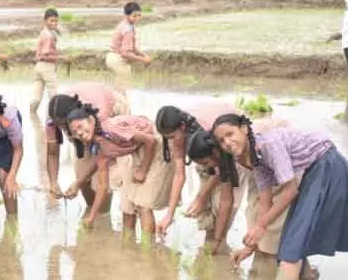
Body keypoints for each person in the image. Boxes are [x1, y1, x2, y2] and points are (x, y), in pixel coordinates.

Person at [211, 114, 348, 280]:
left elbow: (290, 191)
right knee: (292, 238)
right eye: (221, 140)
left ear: (244, 129)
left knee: (291, 247)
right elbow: (265, 201)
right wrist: (250, 246)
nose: (227, 142)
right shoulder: (254, 157)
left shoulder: (269, 145)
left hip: (328, 168)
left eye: (230, 134)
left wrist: (260, 226)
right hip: (315, 172)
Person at [186, 116, 295, 262]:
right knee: (255, 215)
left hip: (284, 168)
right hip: (266, 172)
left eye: (206, 162)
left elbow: (274, 194)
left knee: (270, 222)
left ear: (215, 152)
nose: (208, 167)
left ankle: (273, 259)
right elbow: (226, 202)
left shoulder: (242, 151)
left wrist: (260, 226)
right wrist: (218, 241)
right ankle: (263, 253)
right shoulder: (226, 157)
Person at [65, 107, 172, 237]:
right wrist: (91, 217)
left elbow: (150, 140)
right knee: (128, 204)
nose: (79, 133)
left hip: (156, 144)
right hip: (138, 149)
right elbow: (102, 186)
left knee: (143, 204)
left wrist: (143, 169)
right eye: (75, 132)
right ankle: (131, 250)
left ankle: (148, 251)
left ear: (91, 120)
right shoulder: (98, 146)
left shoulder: (111, 129)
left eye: (80, 126)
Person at [153, 102, 239, 250]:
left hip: (225, 153)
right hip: (205, 156)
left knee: (221, 205)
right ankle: (210, 243)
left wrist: (201, 197)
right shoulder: (175, 138)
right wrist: (169, 215)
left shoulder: (210, 133)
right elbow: (179, 176)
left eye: (173, 136)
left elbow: (220, 167)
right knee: (205, 211)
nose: (172, 140)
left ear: (182, 127)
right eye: (168, 138)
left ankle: (218, 241)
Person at [44, 83, 131, 208]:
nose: (62, 128)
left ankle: (102, 213)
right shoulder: (52, 121)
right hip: (84, 117)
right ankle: (92, 209)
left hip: (113, 108)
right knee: (82, 172)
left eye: (64, 124)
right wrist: (53, 181)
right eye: (60, 125)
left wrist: (78, 183)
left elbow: (103, 155)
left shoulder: (99, 115)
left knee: (103, 177)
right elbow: (52, 152)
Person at [106, 1, 151, 90]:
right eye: (134, 16)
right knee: (121, 89)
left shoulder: (127, 25)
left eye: (139, 15)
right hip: (118, 59)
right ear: (126, 15)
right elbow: (125, 53)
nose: (137, 18)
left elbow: (133, 47)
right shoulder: (128, 30)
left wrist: (143, 55)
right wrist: (143, 60)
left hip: (113, 57)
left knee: (120, 87)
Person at [30, 8, 65, 114]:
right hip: (47, 67)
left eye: (56, 21)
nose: (54, 23)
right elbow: (45, 55)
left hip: (38, 67)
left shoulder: (45, 32)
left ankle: (32, 116)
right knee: (53, 95)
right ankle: (54, 117)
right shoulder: (48, 36)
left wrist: (56, 30)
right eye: (51, 20)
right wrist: (61, 58)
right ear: (45, 21)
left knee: (36, 97)